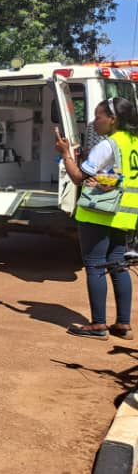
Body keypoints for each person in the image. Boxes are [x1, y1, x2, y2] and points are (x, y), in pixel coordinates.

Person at [55, 97, 138, 340]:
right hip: (124, 215)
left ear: (113, 119)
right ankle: (123, 324)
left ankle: (98, 325)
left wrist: (65, 154)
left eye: (98, 116)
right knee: (117, 265)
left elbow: (78, 177)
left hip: (99, 213)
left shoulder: (108, 144)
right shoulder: (133, 143)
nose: (95, 121)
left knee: (95, 266)